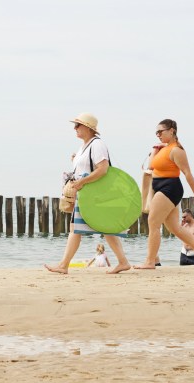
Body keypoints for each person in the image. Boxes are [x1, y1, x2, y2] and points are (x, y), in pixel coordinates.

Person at [45, 113, 132, 275]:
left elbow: (103, 169)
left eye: (78, 125)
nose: (75, 128)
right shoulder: (85, 146)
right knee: (101, 228)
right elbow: (88, 168)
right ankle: (123, 262)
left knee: (78, 229)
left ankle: (64, 265)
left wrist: (82, 182)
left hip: (93, 194)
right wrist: (75, 162)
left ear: (89, 128)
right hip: (88, 194)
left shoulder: (97, 144)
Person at [134, 119, 194, 269]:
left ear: (172, 130)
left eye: (160, 131)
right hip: (160, 187)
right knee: (175, 227)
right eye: (156, 132)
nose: (158, 135)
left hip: (169, 188)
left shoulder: (177, 150)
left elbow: (187, 173)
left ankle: (150, 261)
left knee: (153, 223)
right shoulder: (164, 148)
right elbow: (150, 168)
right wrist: (156, 150)